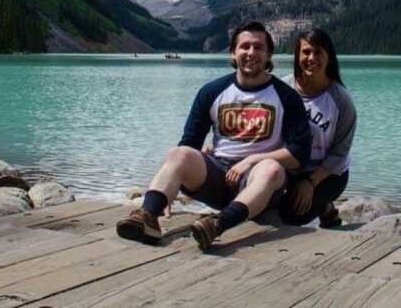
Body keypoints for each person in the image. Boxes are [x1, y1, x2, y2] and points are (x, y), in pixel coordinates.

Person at [115, 21, 311, 249]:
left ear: (269, 55)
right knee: (179, 153)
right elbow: (189, 144)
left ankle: (217, 225)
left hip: (259, 181)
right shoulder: (211, 92)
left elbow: (300, 153)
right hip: (219, 177)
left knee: (271, 168)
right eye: (244, 47)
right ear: (233, 52)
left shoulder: (286, 96)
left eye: (258, 47)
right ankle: (148, 216)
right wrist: (165, 190)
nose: (251, 53)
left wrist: (251, 160)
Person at [280, 28, 357, 228]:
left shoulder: (341, 100)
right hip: (288, 169)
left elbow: (340, 154)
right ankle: (323, 207)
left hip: (328, 175)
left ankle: (325, 205)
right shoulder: (282, 89)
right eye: (306, 52)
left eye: (318, 52)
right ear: (297, 56)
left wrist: (310, 183)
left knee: (289, 219)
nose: (311, 57)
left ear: (328, 57)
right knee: (264, 211)